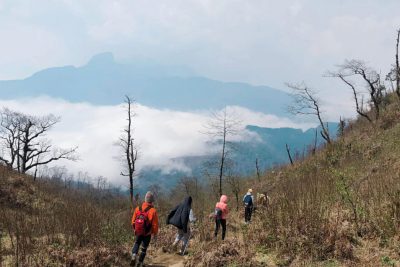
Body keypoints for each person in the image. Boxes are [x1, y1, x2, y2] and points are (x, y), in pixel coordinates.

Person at [131, 191, 159, 267]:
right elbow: (155, 224)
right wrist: (154, 234)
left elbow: (133, 221)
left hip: (138, 231)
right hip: (147, 233)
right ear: (152, 200)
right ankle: (140, 263)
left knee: (137, 243)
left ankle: (134, 255)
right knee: (144, 248)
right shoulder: (153, 211)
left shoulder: (138, 208)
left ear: (145, 199)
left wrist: (135, 229)